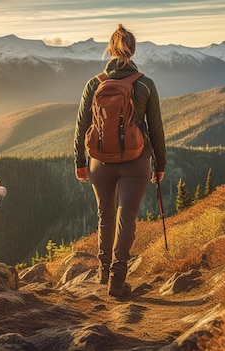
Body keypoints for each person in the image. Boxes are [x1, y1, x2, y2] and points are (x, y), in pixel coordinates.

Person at [73, 23, 166, 297]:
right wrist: (160, 164)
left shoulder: (94, 83)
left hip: (100, 161)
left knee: (105, 215)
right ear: (133, 49)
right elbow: (156, 127)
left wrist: (80, 161)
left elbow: (81, 126)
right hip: (137, 160)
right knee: (127, 216)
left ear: (110, 50)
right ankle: (117, 279)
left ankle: (103, 271)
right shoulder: (145, 84)